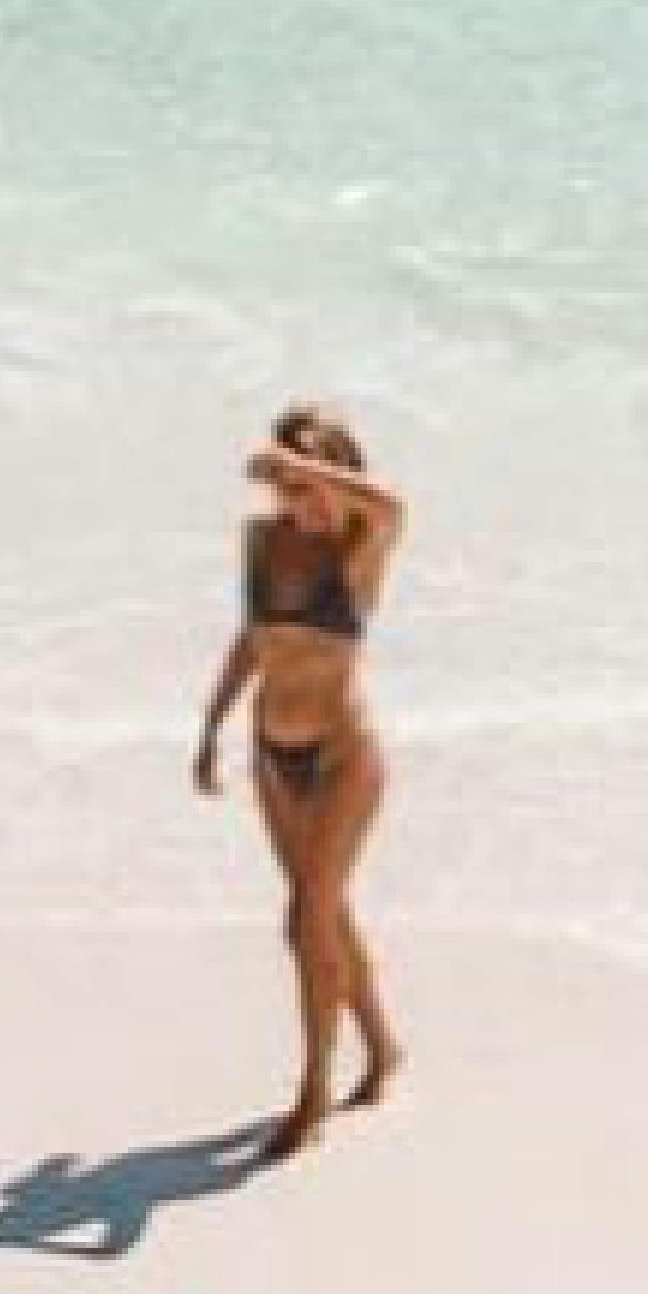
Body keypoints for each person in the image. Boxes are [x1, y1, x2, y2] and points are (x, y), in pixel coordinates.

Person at [190, 400, 408, 1150]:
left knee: (303, 918)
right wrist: (210, 723)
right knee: (324, 912)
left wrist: (309, 469)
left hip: (344, 756)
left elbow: (397, 504)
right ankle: (381, 1047)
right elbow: (254, 640)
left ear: (338, 479)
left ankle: (313, 1093)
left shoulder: (360, 547)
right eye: (284, 487)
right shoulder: (261, 541)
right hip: (270, 753)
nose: (297, 502)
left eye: (309, 485)